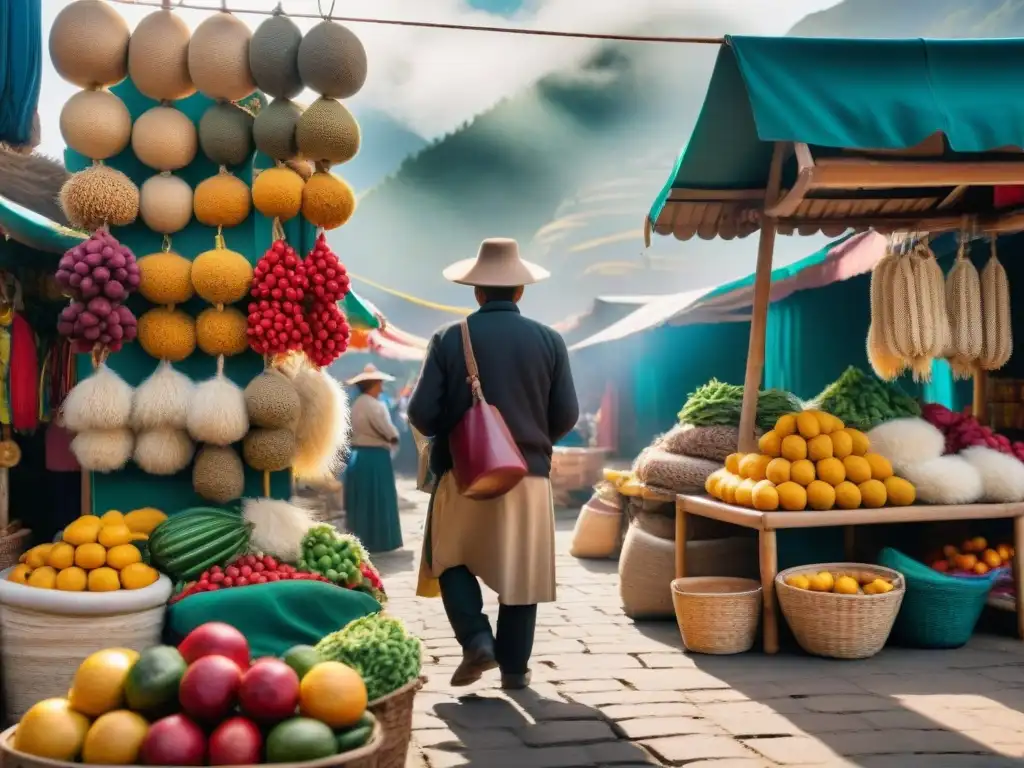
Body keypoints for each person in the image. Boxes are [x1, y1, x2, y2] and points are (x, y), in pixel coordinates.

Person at [408, 237, 579, 690]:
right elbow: (567, 415)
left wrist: (464, 435)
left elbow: (421, 414)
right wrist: (527, 446)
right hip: (528, 475)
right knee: (522, 572)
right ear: (520, 291)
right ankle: (515, 670)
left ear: (476, 291)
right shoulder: (550, 340)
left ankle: (476, 638)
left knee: (448, 558)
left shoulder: (449, 338)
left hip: (463, 474)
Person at [344, 364, 403, 553]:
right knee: (378, 498)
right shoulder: (373, 404)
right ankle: (379, 541)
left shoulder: (357, 403)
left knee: (364, 500)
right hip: (375, 456)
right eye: (379, 383)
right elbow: (387, 430)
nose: (382, 387)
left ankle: (363, 539)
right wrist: (394, 437)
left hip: (360, 455)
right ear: (372, 384)